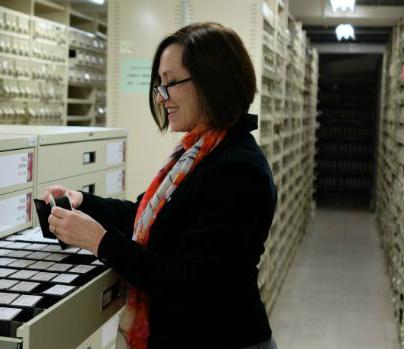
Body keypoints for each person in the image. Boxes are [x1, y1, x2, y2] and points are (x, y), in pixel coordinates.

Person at [45, 22, 278, 349]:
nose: (161, 96)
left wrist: (102, 242)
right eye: (159, 84)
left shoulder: (238, 169)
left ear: (213, 82)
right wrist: (83, 201)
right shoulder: (195, 154)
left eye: (171, 83)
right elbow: (145, 216)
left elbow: (188, 283)